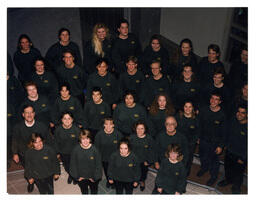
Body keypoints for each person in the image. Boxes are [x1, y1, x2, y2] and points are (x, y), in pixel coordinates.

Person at [12, 105, 51, 192]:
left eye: (31, 112)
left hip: (40, 152)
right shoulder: (17, 127)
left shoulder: (42, 126)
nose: (29, 115)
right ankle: (31, 182)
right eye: (26, 113)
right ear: (23, 114)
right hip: (24, 154)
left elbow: (48, 140)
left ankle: (40, 183)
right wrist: (15, 153)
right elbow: (15, 140)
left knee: (40, 169)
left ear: (34, 113)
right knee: (29, 170)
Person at [197, 92, 226, 186]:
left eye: (216, 99)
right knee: (203, 157)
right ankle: (204, 168)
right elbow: (199, 125)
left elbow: (224, 133)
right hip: (203, 140)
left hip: (215, 143)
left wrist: (220, 146)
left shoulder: (223, 115)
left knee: (214, 161)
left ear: (220, 102)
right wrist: (198, 137)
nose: (213, 101)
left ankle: (213, 176)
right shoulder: (203, 110)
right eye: (212, 98)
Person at [218, 105, 247, 194]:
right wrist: (224, 146)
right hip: (230, 151)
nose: (239, 114)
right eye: (238, 112)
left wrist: (243, 158)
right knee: (228, 168)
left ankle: (236, 186)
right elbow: (227, 134)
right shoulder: (233, 121)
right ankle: (228, 180)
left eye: (243, 113)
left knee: (238, 173)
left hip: (241, 155)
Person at [70, 130, 102, 194]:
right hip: (81, 177)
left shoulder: (95, 150)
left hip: (92, 177)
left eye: (87, 138)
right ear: (80, 139)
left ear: (90, 139)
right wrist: (77, 177)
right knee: (84, 192)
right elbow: (73, 164)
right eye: (83, 139)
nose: (85, 141)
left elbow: (98, 165)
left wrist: (95, 178)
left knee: (94, 191)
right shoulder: (75, 150)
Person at [94, 117, 123, 188]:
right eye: (106, 124)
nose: (108, 126)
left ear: (113, 125)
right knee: (107, 171)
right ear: (104, 125)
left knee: (116, 171)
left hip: (116, 158)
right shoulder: (99, 135)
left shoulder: (118, 134)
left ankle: (115, 181)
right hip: (105, 158)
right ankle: (109, 180)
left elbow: (122, 147)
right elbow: (96, 149)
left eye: (110, 124)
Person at [54, 111, 81, 185]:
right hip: (64, 152)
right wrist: (57, 152)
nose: (67, 121)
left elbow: (80, 142)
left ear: (72, 120)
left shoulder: (76, 130)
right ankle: (71, 175)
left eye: (69, 118)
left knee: (75, 166)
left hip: (75, 152)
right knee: (67, 166)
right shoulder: (58, 130)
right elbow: (56, 142)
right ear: (62, 120)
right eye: (65, 119)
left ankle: (75, 177)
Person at [130, 121, 157, 191]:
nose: (139, 130)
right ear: (135, 129)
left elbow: (152, 151)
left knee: (143, 173)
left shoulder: (149, 139)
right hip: (134, 160)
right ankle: (135, 181)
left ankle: (142, 182)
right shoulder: (132, 137)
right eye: (138, 128)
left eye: (142, 128)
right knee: (134, 172)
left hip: (144, 161)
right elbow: (129, 149)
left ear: (145, 129)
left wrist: (148, 161)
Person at [175, 101, 200, 176]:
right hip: (178, 142)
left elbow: (197, 133)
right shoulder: (178, 116)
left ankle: (185, 173)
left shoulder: (196, 119)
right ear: (183, 107)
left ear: (192, 108)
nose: (187, 108)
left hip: (190, 144)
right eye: (186, 106)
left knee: (188, 160)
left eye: (190, 107)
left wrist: (191, 143)